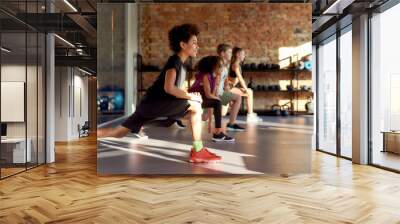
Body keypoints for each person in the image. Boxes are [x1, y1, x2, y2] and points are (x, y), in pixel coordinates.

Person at [97, 24, 221, 163]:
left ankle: (88, 135)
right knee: (196, 106)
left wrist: (188, 96)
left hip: (147, 105)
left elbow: (174, 89)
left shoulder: (181, 64)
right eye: (194, 43)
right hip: (154, 105)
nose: (197, 46)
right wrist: (191, 96)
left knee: (118, 132)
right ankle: (198, 151)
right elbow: (169, 88)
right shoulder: (174, 62)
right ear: (183, 44)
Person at [189, 56, 234, 142]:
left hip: (206, 98)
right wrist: (221, 99)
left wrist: (218, 84)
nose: (223, 67)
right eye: (220, 66)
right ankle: (218, 132)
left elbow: (214, 93)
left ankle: (219, 131)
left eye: (222, 66)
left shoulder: (218, 74)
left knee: (220, 106)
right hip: (194, 99)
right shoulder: (206, 76)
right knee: (218, 104)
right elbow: (209, 95)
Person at [228, 47, 262, 123]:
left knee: (249, 92)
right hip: (227, 88)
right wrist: (246, 89)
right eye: (243, 54)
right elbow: (240, 79)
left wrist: (246, 90)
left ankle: (250, 115)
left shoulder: (237, 64)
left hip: (231, 87)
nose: (244, 56)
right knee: (249, 92)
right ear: (237, 55)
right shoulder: (235, 65)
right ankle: (250, 116)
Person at [216, 44, 245, 131]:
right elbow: (215, 83)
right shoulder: (218, 66)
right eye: (229, 52)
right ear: (222, 54)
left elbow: (225, 83)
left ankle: (231, 124)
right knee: (204, 117)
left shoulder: (225, 65)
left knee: (236, 99)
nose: (231, 54)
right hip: (217, 94)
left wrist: (228, 95)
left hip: (222, 93)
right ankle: (179, 115)